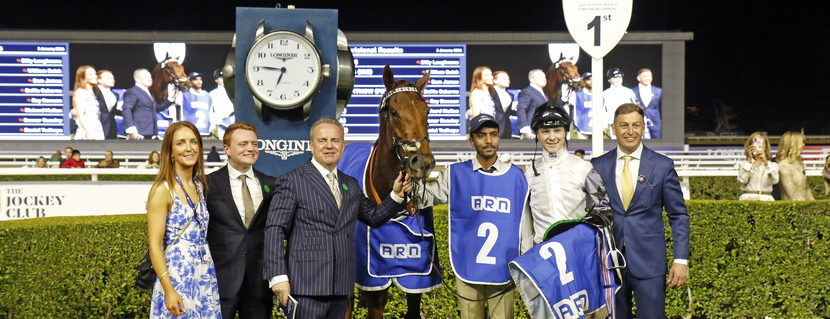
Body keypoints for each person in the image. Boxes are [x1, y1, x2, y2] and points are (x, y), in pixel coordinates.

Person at [264, 116, 412, 319]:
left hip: (341, 289)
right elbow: (274, 229)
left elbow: (373, 217)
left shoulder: (350, 184)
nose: (329, 146)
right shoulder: (292, 181)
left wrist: (396, 196)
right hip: (306, 289)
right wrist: (278, 277)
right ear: (311, 145)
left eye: (335, 141)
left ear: (343, 146)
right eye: (322, 140)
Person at [418, 114, 528, 319]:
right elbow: (427, 198)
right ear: (472, 140)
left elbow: (525, 224)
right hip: (466, 266)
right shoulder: (454, 173)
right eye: (482, 135)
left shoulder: (517, 177)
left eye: (493, 135)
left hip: (504, 267)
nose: (488, 141)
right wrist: (412, 180)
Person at [590, 103, 689, 319]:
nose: (630, 131)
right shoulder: (597, 166)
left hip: (650, 265)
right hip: (609, 265)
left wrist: (681, 260)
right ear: (613, 129)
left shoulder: (663, 166)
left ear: (644, 128)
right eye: (624, 125)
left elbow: (678, 215)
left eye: (636, 125)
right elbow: (590, 216)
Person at [146, 121, 221, 317]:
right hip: (176, 277)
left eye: (194, 142)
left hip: (204, 274)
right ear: (170, 152)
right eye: (180, 143)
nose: (189, 148)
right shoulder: (162, 190)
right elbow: (154, 245)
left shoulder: (200, 186)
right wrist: (168, 290)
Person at [206, 122, 276, 318]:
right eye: (243, 143)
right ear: (227, 149)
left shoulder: (272, 184)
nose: (251, 149)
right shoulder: (207, 184)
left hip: (259, 286)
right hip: (219, 283)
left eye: (254, 144)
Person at [523, 103, 609, 250]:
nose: (552, 137)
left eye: (557, 130)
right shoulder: (529, 172)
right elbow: (524, 221)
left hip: (578, 252)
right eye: (545, 131)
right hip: (542, 254)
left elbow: (603, 213)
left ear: (566, 133)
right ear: (537, 134)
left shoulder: (584, 167)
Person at [122, 69, 176, 140]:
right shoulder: (133, 91)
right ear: (137, 79)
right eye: (146, 77)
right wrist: (130, 128)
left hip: (151, 132)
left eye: (150, 77)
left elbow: (156, 108)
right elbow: (127, 109)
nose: (149, 79)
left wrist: (170, 99)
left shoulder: (148, 93)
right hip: (139, 132)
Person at [737, 132, 779, 201]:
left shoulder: (773, 165)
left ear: (765, 147)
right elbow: (742, 180)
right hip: (748, 198)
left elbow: (774, 180)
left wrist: (765, 162)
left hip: (766, 198)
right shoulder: (744, 164)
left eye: (761, 144)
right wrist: (749, 161)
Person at [776, 131, 814, 201]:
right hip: (791, 207)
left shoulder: (799, 163)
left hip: (805, 206)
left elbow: (806, 188)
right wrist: (805, 207)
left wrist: (814, 205)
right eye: (801, 142)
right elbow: (791, 193)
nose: (803, 145)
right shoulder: (783, 165)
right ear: (794, 144)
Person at [72, 65, 105, 140]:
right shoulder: (81, 92)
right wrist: (88, 132)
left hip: (97, 128)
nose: (95, 76)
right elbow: (80, 114)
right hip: (87, 130)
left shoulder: (93, 92)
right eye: (90, 74)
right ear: (83, 77)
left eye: (95, 74)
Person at [602, 68, 638, 137]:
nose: (618, 79)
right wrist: (604, 125)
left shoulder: (629, 92)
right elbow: (603, 111)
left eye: (620, 77)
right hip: (614, 123)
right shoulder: (604, 94)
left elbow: (636, 107)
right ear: (609, 80)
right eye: (615, 77)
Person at [516, 69, 548, 140]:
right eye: (540, 77)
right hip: (532, 132)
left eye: (544, 77)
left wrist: (564, 99)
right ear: (531, 79)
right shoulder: (527, 92)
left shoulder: (543, 94)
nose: (544, 79)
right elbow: (521, 109)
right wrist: (525, 127)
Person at [633, 68, 662, 139]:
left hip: (655, 124)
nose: (648, 78)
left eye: (650, 76)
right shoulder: (632, 92)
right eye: (645, 76)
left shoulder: (658, 91)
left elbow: (662, 108)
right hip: (637, 124)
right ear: (638, 78)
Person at [93, 70, 120, 139]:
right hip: (98, 126)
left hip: (112, 128)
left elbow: (112, 111)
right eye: (108, 78)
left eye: (113, 78)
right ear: (99, 80)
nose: (112, 80)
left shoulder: (115, 95)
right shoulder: (94, 92)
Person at [209, 69, 235, 139]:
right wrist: (213, 126)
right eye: (221, 78)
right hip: (221, 123)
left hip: (233, 122)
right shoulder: (212, 93)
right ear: (216, 80)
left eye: (224, 77)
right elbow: (211, 112)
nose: (223, 79)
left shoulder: (233, 91)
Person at [490, 71, 514, 139]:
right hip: (493, 126)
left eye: (508, 79)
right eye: (504, 78)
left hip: (507, 128)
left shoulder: (510, 95)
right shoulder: (490, 92)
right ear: (495, 80)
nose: (507, 81)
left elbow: (506, 112)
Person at [573, 72, 594, 138]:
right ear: (583, 81)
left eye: (593, 79)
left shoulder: (600, 95)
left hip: (596, 129)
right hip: (581, 128)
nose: (591, 82)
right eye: (588, 79)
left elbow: (603, 111)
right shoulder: (576, 95)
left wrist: (604, 126)